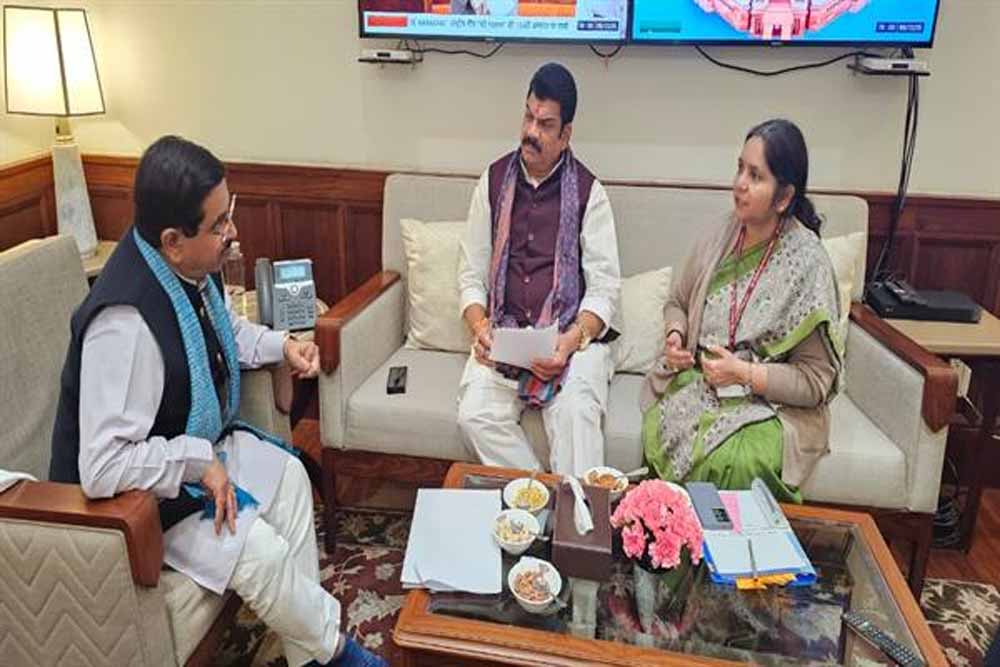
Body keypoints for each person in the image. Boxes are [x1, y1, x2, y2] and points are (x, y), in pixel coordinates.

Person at [49, 136, 386, 667]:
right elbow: (101, 467)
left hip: (189, 452)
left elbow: (222, 331)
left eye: (231, 212)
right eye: (219, 224)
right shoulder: (124, 326)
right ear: (173, 241)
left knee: (292, 479)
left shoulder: (188, 273)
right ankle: (336, 653)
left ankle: (309, 658)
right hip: (133, 504)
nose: (233, 233)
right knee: (262, 554)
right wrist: (198, 461)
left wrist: (282, 346)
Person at [640, 119, 842, 502]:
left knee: (736, 460)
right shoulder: (719, 235)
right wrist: (675, 335)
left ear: (783, 197)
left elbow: (815, 382)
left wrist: (745, 373)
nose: (739, 184)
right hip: (701, 386)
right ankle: (668, 538)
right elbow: (677, 303)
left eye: (755, 176)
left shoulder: (809, 264)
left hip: (769, 406)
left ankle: (731, 543)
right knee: (671, 432)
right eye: (739, 169)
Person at [457, 62, 621, 476]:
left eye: (546, 124)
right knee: (473, 415)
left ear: (566, 134)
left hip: (568, 340)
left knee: (576, 414)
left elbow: (604, 289)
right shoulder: (492, 181)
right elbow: (470, 275)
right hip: (503, 336)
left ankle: (573, 509)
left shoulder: (590, 193)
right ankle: (541, 497)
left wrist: (569, 341)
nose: (532, 131)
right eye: (528, 116)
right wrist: (481, 329)